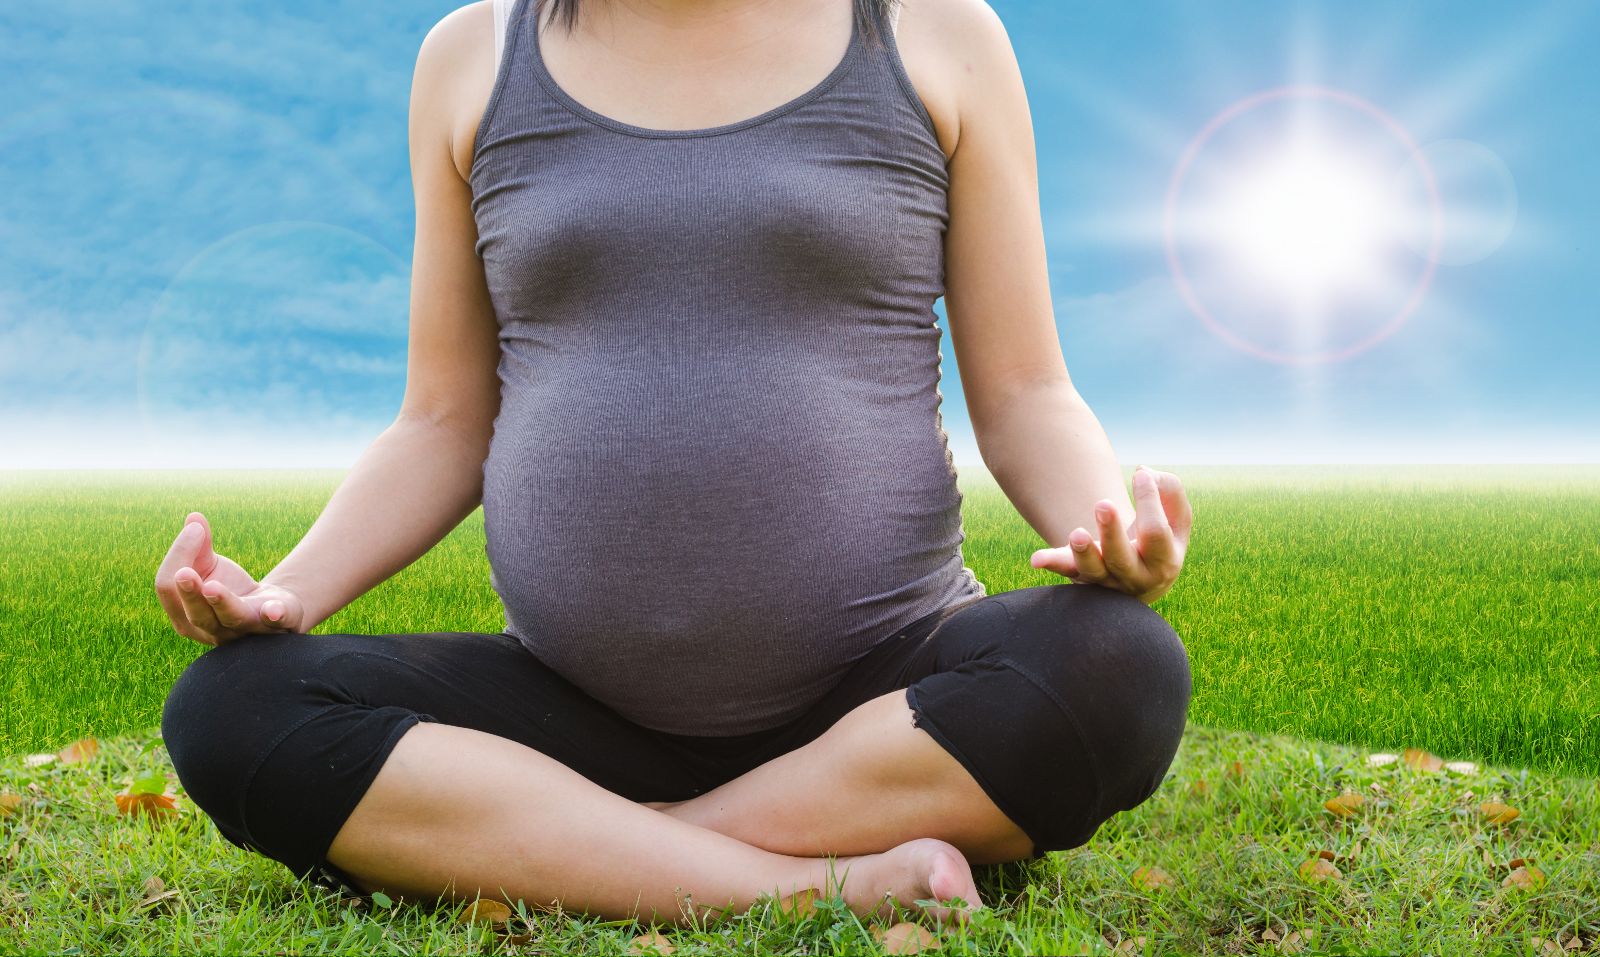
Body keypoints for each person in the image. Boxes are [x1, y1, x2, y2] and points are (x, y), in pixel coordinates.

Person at [155, 0, 1195, 927]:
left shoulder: (936, 33)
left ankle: (609, 847)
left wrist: (1101, 524)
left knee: (1119, 665)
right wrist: (289, 593)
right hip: (571, 712)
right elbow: (439, 422)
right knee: (229, 708)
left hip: (883, 707)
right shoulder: (470, 55)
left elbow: (1023, 394)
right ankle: (804, 878)